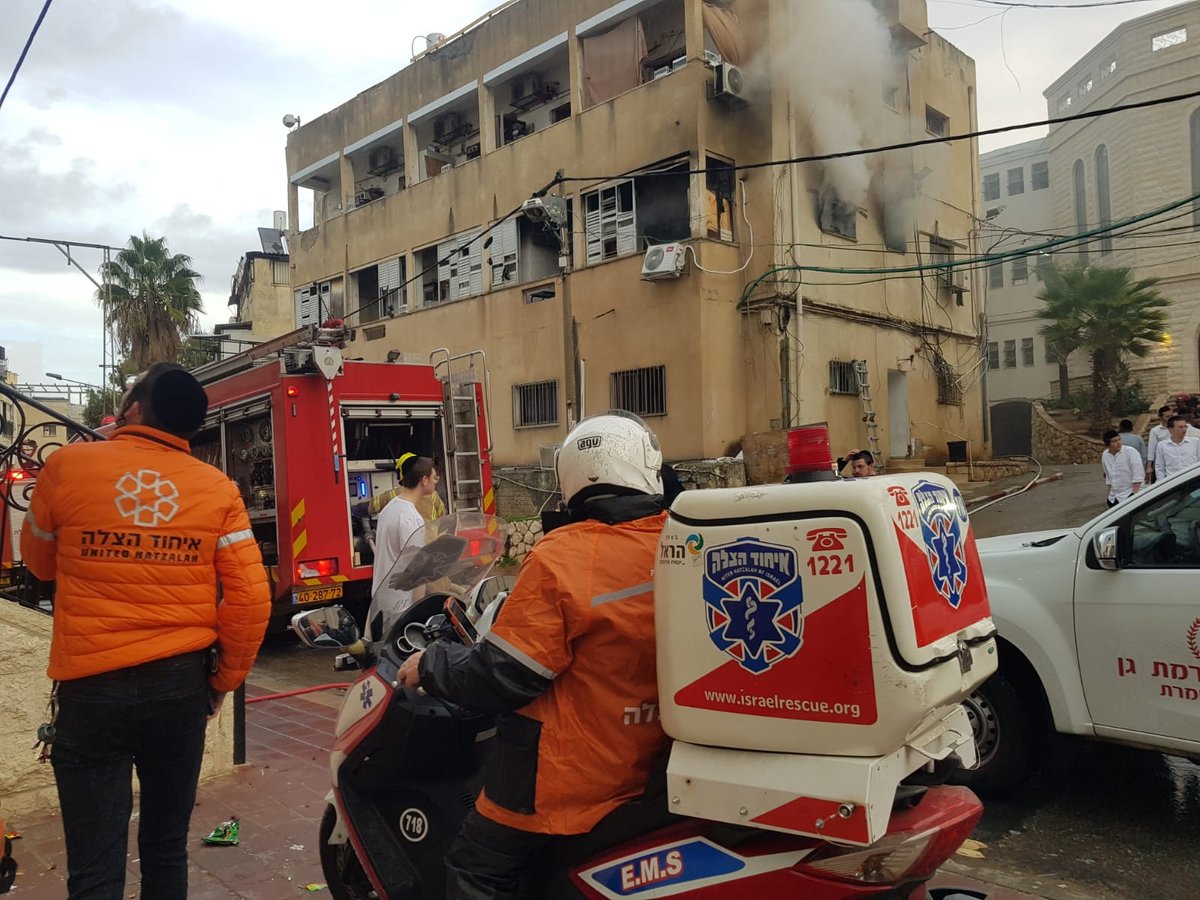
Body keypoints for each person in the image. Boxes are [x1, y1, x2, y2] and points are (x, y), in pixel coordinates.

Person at [20, 362, 271, 899]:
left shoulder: (66, 467)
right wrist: (222, 682)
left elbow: (39, 565)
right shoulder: (218, 489)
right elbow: (251, 598)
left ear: (133, 409)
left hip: (92, 692)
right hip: (179, 690)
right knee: (164, 848)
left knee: (93, 867)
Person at [398, 411, 669, 899]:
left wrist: (432, 664)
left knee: (475, 867)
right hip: (646, 759)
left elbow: (507, 672)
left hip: (568, 777)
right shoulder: (676, 541)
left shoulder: (562, 555)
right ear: (646, 466)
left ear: (570, 478)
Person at [366, 454, 441, 638]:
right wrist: (418, 613)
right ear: (423, 480)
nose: (435, 481)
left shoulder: (390, 508)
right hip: (401, 605)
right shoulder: (410, 519)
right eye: (433, 477)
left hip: (382, 599)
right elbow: (417, 574)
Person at [1100, 430, 1144, 507]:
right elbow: (1108, 477)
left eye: (1119, 439)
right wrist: (1109, 496)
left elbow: (1138, 475)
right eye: (1114, 441)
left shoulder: (1130, 451)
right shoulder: (1105, 455)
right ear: (1107, 444)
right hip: (1113, 497)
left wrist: (1134, 494)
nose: (1119, 443)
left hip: (1129, 494)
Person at [1153, 415, 1200, 483]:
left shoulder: (1195, 442)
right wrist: (1160, 482)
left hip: (1193, 481)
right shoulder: (1162, 445)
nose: (1184, 429)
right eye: (1180, 427)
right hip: (1173, 483)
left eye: (1185, 426)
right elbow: (1160, 468)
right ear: (1170, 429)